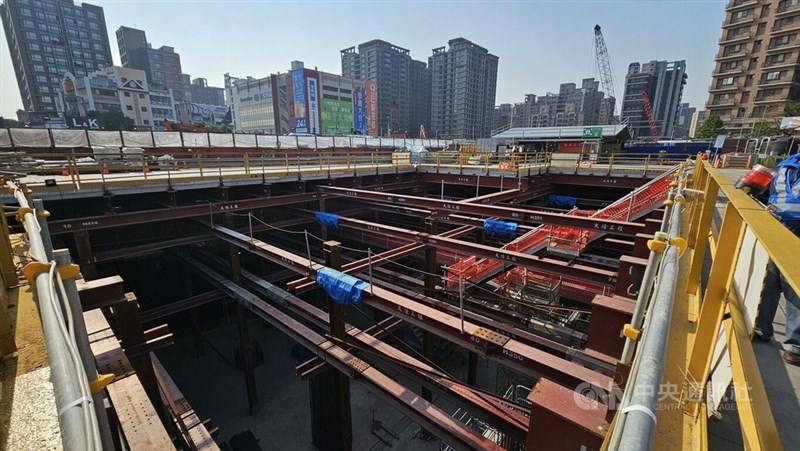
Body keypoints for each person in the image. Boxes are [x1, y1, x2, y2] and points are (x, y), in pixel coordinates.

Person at [753, 153, 800, 366]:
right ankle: (761, 327)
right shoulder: (785, 167)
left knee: (795, 289)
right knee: (769, 282)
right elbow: (772, 195)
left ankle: (795, 345)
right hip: (777, 228)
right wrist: (753, 190)